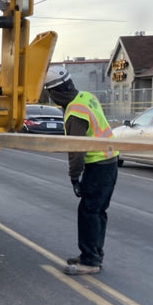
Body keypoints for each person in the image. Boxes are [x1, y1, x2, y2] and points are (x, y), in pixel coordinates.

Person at [43, 66, 119, 275]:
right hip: (110, 160)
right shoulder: (86, 97)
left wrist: (74, 177)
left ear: (56, 92)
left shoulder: (75, 112)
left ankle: (90, 261)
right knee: (97, 211)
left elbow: (76, 150)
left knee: (88, 212)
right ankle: (93, 253)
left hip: (98, 165)